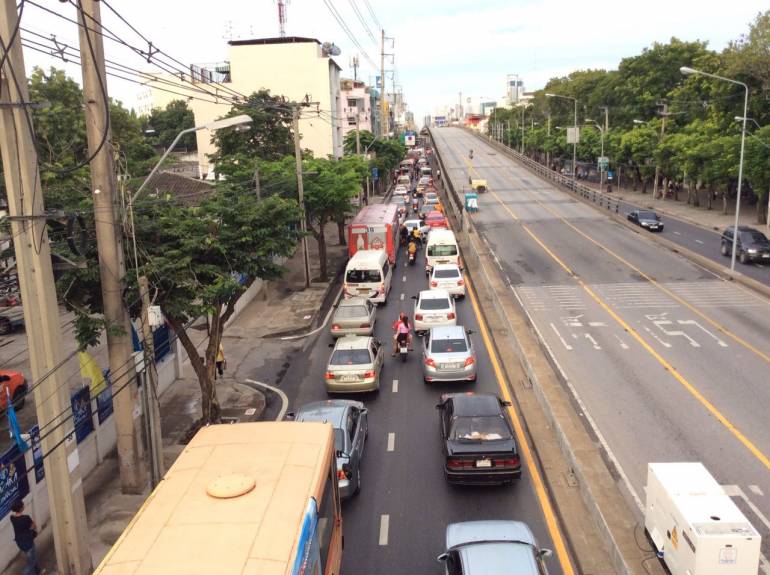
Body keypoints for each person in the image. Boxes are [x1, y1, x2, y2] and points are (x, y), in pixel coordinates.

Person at [10, 500, 39, 575]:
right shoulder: (26, 518)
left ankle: (37, 572)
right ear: (21, 508)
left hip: (20, 542)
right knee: (31, 562)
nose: (24, 505)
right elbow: (33, 526)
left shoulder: (12, 518)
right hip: (28, 542)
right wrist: (31, 527)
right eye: (23, 505)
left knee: (33, 557)